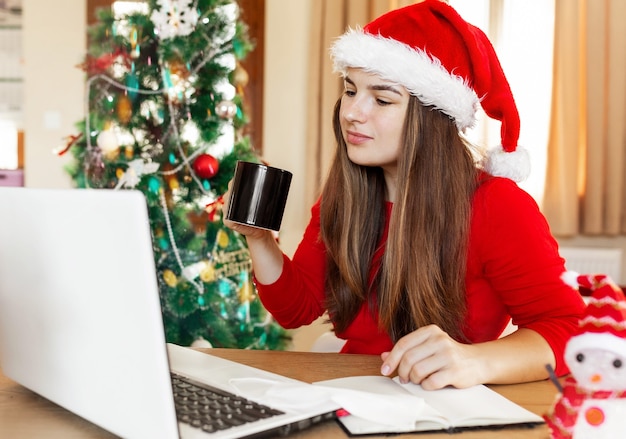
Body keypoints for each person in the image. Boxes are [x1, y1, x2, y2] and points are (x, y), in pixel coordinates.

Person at [222, 0, 585, 390]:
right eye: (350, 90)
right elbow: (297, 308)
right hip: (353, 392)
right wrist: (259, 239)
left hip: (446, 409)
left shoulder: (498, 205)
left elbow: (571, 330)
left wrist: (473, 361)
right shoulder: (346, 196)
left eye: (381, 99)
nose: (351, 113)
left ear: (431, 117)